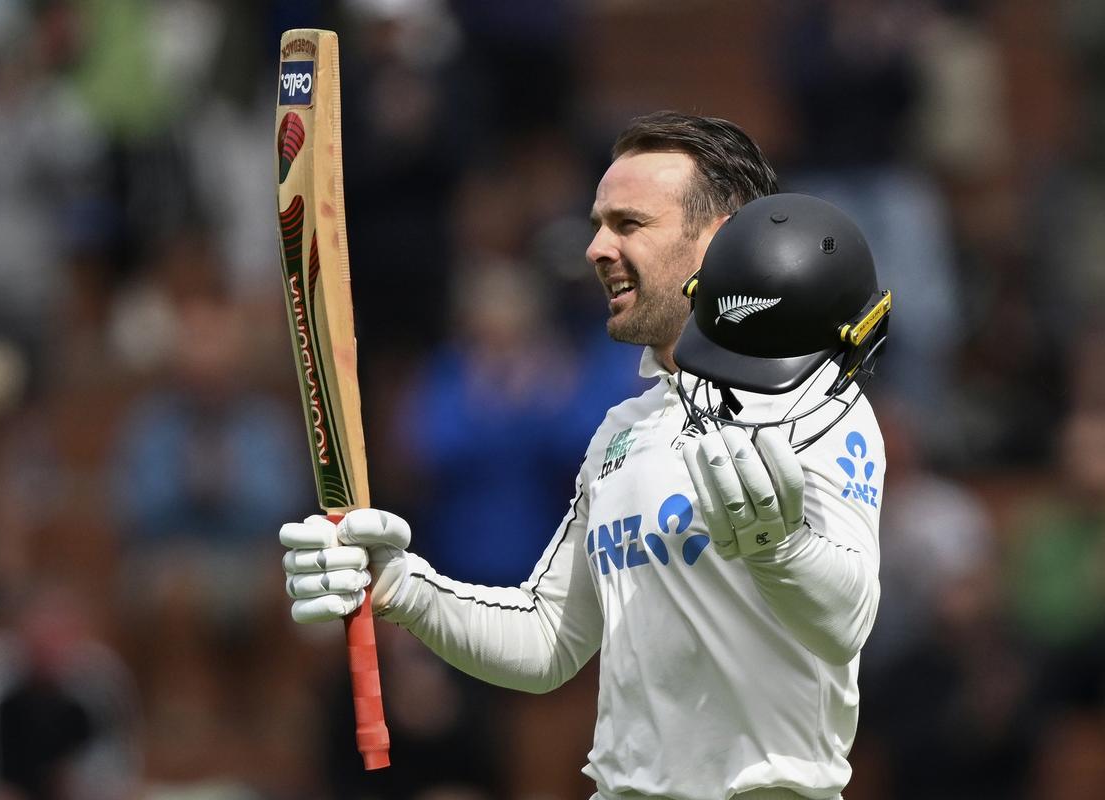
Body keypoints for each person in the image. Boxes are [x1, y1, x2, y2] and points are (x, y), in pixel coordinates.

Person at [280, 112, 888, 800]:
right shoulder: (620, 432)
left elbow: (847, 620)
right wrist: (398, 586)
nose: (596, 247)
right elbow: (547, 641)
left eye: (629, 225)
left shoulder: (817, 404)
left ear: (722, 239)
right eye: (598, 223)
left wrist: (780, 552)